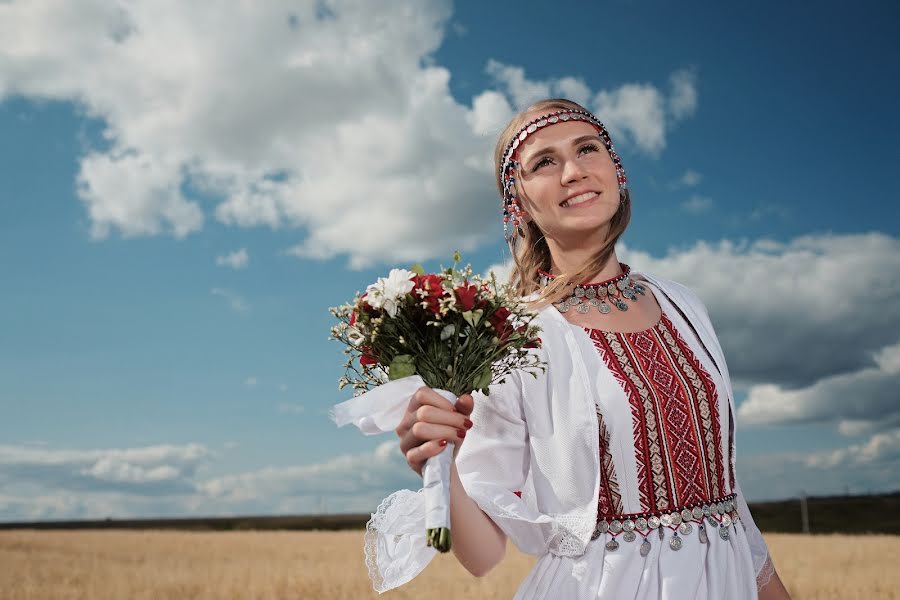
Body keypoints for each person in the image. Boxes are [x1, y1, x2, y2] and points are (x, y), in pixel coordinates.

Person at [377, 98, 793, 599]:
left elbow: (728, 497)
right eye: (544, 162)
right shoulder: (512, 337)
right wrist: (439, 461)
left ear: (615, 170)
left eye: (588, 149)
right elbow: (484, 556)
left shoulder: (684, 304)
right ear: (519, 202)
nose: (573, 171)